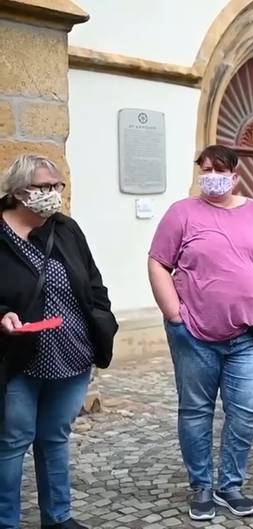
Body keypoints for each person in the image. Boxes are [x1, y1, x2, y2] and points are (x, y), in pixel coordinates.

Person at [148, 145, 253, 520]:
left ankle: (230, 485)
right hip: (195, 334)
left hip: (247, 336)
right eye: (205, 169)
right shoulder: (182, 213)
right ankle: (201, 486)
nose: (212, 175)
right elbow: (158, 262)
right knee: (196, 411)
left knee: (245, 410)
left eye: (219, 169)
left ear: (235, 176)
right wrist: (174, 313)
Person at [0, 154, 118, 529]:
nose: (54, 194)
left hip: (71, 353)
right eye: (45, 187)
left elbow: (93, 282)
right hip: (17, 357)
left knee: (55, 437)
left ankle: (59, 517)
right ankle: (7, 520)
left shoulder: (66, 229)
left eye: (58, 186)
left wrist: (103, 321)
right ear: (19, 192)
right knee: (13, 441)